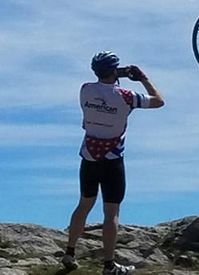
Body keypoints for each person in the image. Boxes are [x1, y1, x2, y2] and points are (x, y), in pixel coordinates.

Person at [61, 52, 165, 275]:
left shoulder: (85, 90)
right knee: (111, 213)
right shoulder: (126, 95)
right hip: (113, 158)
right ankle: (108, 265)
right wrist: (142, 78)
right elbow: (158, 101)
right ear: (114, 71)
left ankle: (69, 252)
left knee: (84, 204)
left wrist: (114, 74)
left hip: (89, 155)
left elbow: (102, 88)